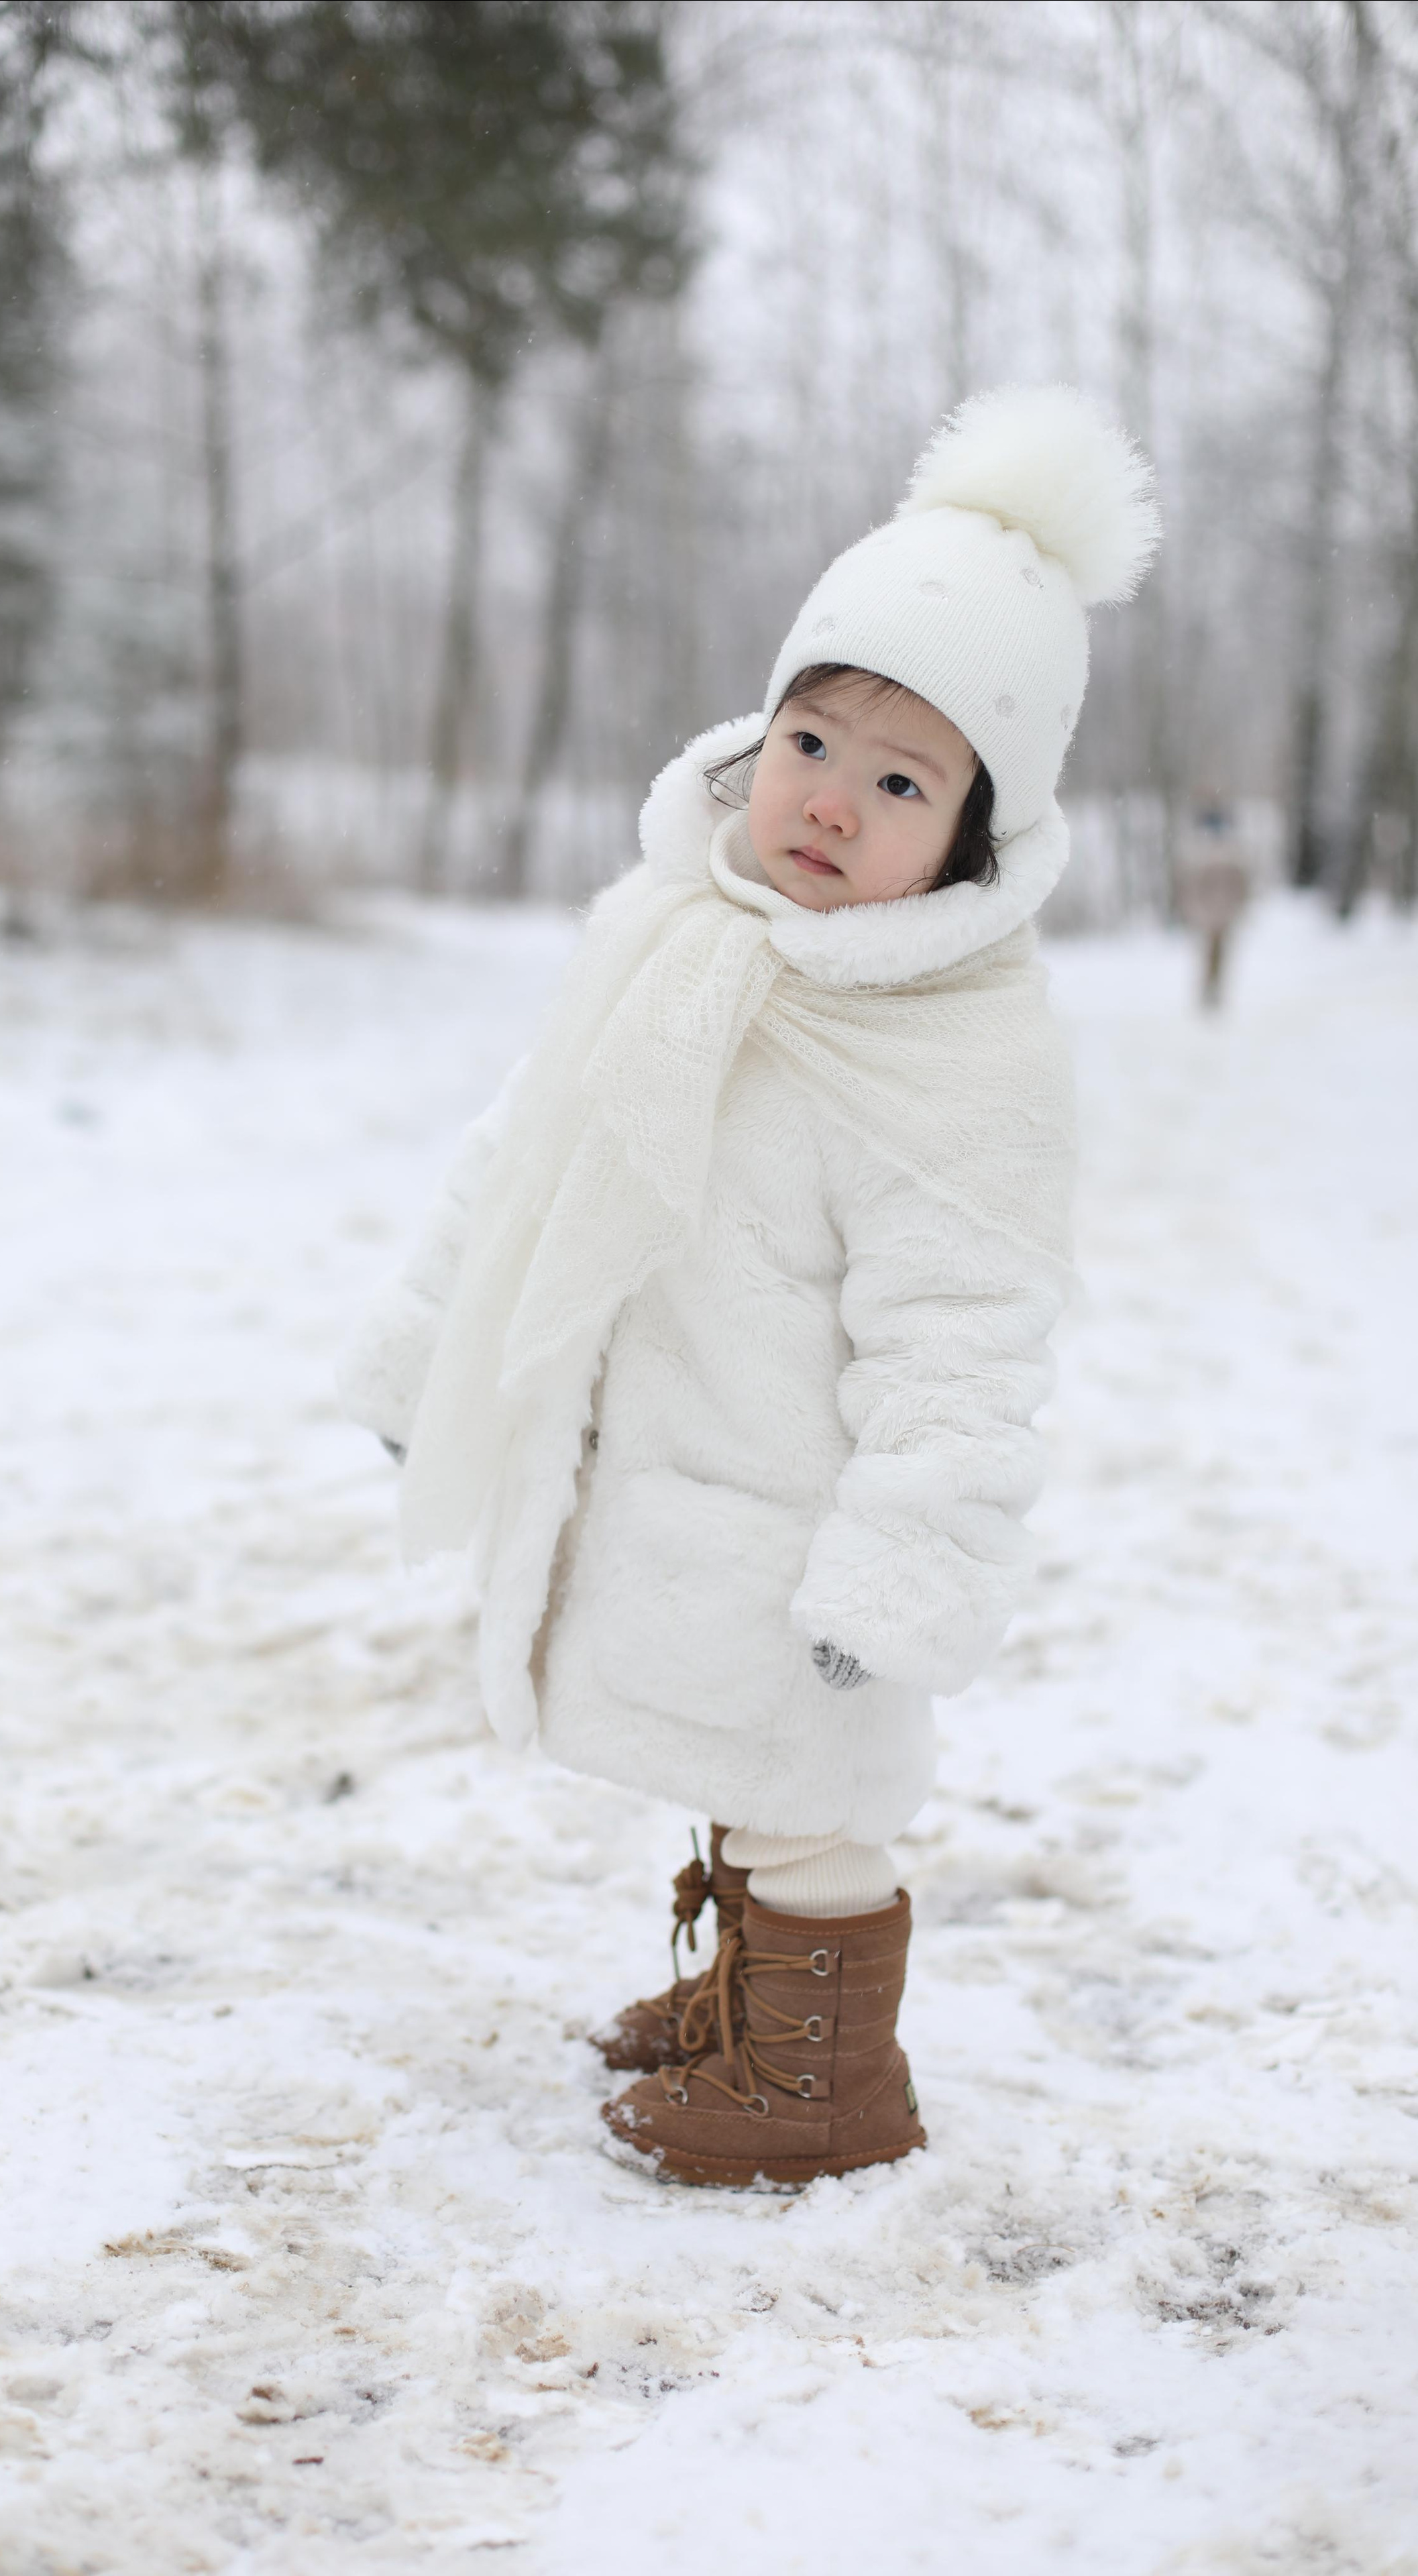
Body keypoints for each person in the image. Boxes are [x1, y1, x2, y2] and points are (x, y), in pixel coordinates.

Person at [341, 384, 1158, 2189]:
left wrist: (907, 1560)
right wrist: (429, 1361)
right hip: (665, 1469)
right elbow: (525, 1152)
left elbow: (969, 1333)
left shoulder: (956, 1056)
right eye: (813, 742)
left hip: (803, 1525)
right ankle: (750, 2001)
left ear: (969, 838)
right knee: (730, 1757)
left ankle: (823, 2083)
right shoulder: (677, 936)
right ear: (760, 729)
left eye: (900, 783)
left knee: (807, 1789)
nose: (829, 806)